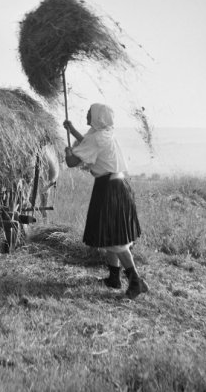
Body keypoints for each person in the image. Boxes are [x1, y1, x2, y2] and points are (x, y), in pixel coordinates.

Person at [63, 103, 149, 299]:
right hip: (118, 185)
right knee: (111, 235)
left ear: (98, 118)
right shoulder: (105, 133)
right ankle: (114, 278)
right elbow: (88, 143)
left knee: (117, 239)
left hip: (110, 188)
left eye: (89, 112)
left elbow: (73, 162)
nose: (86, 114)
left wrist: (68, 153)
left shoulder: (96, 138)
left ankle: (136, 280)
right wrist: (72, 130)